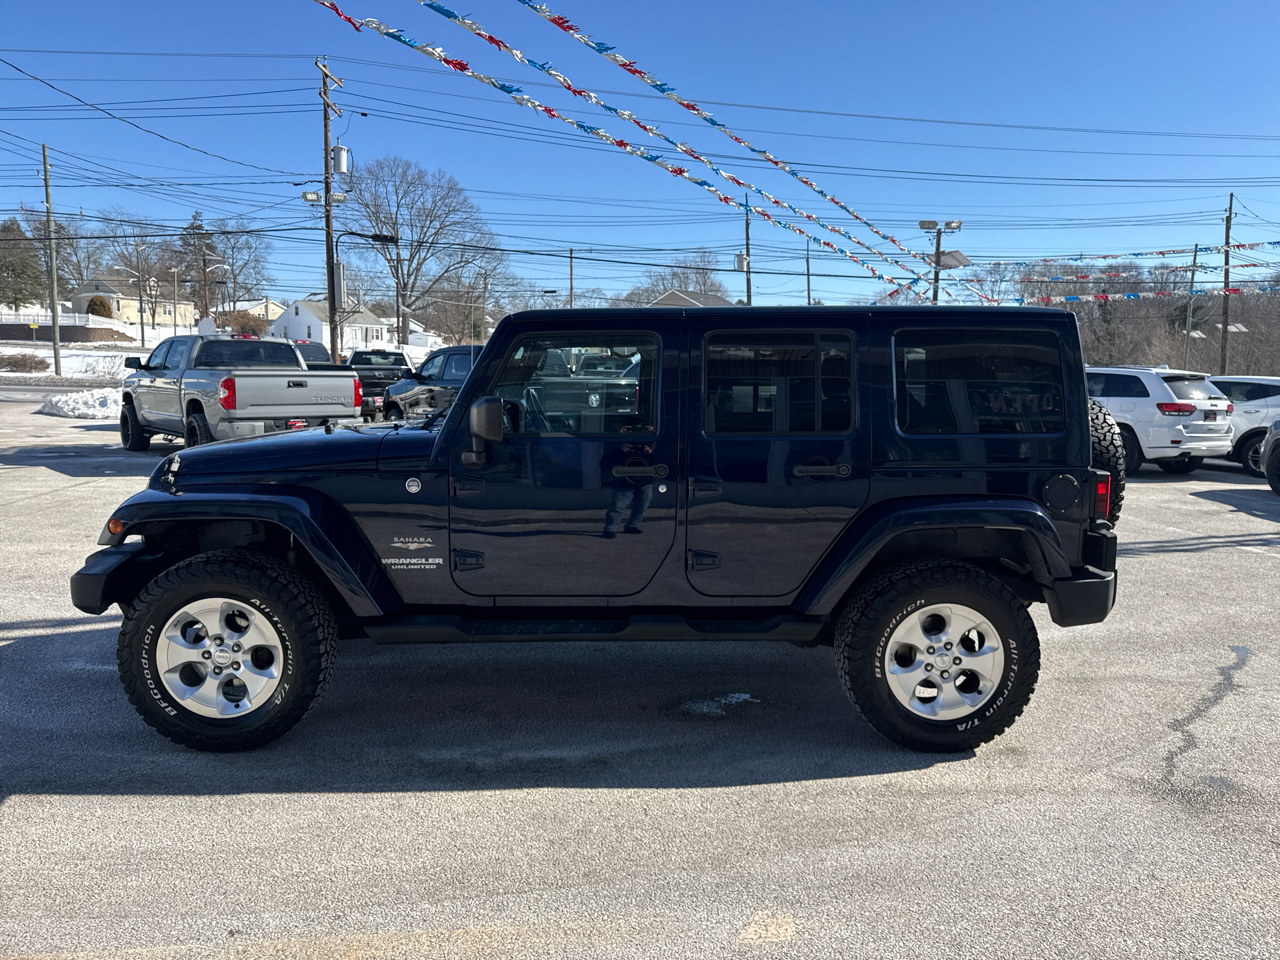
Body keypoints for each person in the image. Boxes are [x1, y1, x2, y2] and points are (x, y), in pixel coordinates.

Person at [602, 417, 654, 539]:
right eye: (632, 429)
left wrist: (650, 449)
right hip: (625, 477)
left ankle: (632, 526)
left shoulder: (651, 440)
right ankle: (610, 528)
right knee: (618, 505)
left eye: (640, 428)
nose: (636, 431)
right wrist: (620, 443)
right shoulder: (619, 441)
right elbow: (607, 456)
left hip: (645, 477)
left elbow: (659, 459)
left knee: (642, 504)